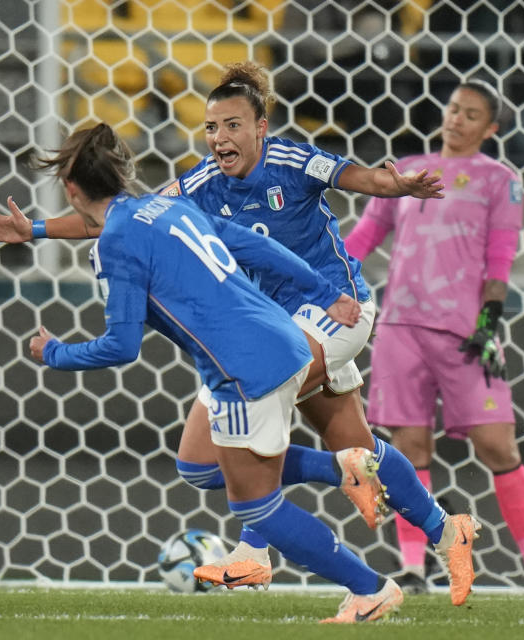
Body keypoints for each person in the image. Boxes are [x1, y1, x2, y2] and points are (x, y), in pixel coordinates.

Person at [0, 62, 482, 607]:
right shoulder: (200, 184)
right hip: (265, 319)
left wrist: (396, 184)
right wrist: (37, 230)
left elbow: (358, 176)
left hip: (335, 308)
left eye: (233, 125)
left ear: (261, 127)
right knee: (237, 458)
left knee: (263, 402)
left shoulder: (290, 160)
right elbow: (120, 216)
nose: (220, 138)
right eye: (212, 127)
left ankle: (257, 549)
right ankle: (449, 532)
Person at [24, 122, 401, 623]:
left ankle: (369, 589)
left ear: (71, 190)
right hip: (265, 345)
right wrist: (325, 289)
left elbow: (121, 345)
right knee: (199, 467)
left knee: (257, 507)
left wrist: (53, 353)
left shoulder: (118, 241)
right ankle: (340, 467)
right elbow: (257, 247)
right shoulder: (165, 208)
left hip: (247, 364)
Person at [344, 79, 524, 597]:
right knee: (408, 448)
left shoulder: (500, 180)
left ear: (490, 128)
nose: (457, 119)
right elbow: (362, 239)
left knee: (496, 442)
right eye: (453, 108)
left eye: (471, 114)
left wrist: (491, 319)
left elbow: (501, 255)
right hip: (401, 326)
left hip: (467, 329)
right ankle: (414, 567)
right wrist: (323, 275)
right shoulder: (404, 171)